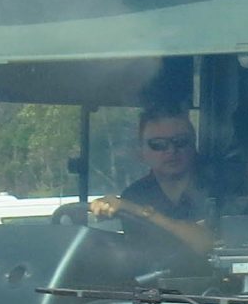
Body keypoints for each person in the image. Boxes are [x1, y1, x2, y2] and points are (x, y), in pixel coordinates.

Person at [89, 106, 222, 263]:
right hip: (150, 285)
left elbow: (207, 244)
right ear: (141, 152)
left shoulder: (221, 188)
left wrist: (140, 211)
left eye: (180, 141)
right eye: (158, 144)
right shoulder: (135, 195)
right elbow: (136, 259)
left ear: (194, 145)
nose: (171, 150)